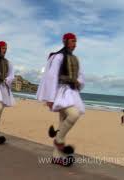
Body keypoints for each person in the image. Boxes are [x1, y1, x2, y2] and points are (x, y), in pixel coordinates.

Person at [36, 33, 85, 166]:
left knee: (62, 122)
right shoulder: (58, 57)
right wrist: (50, 97)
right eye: (72, 41)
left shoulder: (75, 59)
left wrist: (79, 82)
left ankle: (56, 156)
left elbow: (80, 75)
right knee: (74, 115)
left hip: (72, 92)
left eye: (75, 41)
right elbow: (51, 77)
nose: (74, 44)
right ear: (65, 42)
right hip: (61, 92)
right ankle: (59, 140)